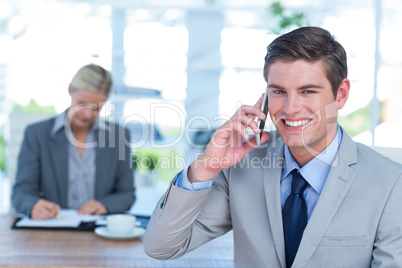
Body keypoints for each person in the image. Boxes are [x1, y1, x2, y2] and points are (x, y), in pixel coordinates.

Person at [144, 27, 402, 267]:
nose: (289, 108)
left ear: (341, 94)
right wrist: (205, 167)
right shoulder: (241, 167)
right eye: (278, 91)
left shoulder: (391, 184)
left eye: (308, 91)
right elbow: (161, 247)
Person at [12, 64, 135, 220]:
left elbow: (127, 194)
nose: (87, 114)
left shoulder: (119, 136)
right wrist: (32, 205)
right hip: (51, 233)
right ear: (70, 90)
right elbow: (21, 193)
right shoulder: (37, 134)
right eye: (82, 104)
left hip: (99, 236)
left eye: (96, 108)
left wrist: (104, 205)